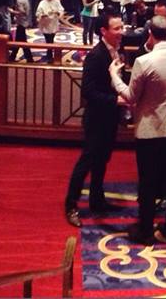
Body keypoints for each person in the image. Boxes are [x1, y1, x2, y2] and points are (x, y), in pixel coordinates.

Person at [109, 14, 166, 245]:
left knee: (147, 180)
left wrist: (114, 76)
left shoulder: (144, 61)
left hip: (150, 129)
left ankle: (145, 230)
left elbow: (130, 96)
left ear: (150, 34)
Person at [64, 13, 124, 227]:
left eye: (121, 27)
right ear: (103, 31)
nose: (121, 32)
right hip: (97, 118)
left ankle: (97, 200)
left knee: (102, 160)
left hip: (111, 117)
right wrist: (114, 100)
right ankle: (71, 205)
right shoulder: (96, 56)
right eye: (116, 29)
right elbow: (88, 92)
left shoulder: (117, 51)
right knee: (87, 162)